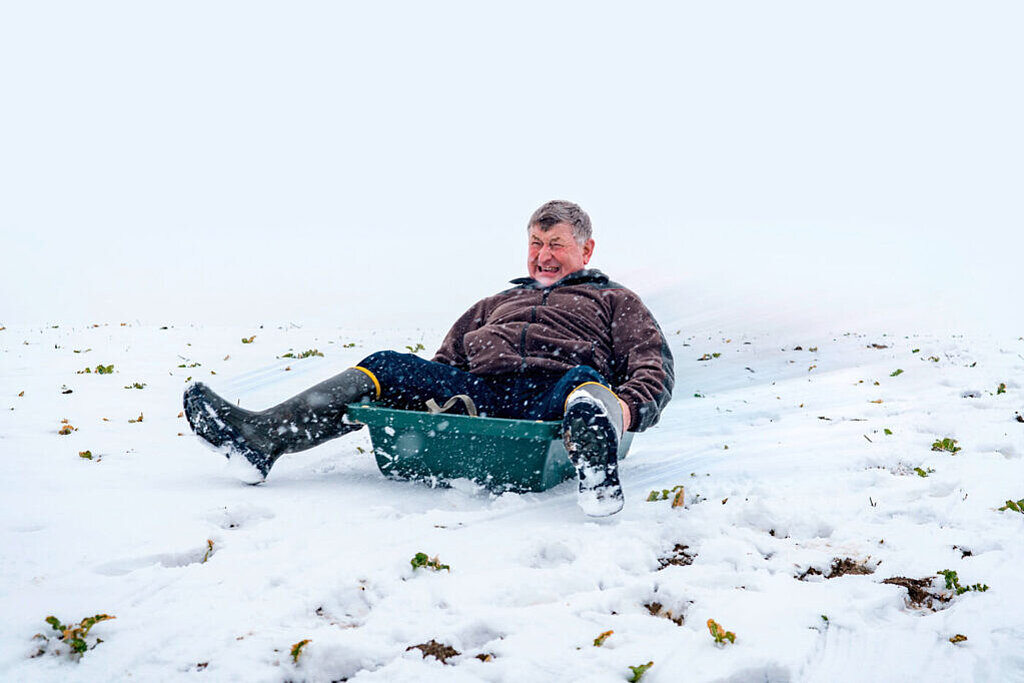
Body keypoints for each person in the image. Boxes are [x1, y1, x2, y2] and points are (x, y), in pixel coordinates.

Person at [184, 200, 674, 516]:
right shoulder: (491, 306)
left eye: (557, 245)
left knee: (585, 382)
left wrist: (626, 410)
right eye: (536, 244)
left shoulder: (614, 300)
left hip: (554, 398)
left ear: (585, 249)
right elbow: (443, 364)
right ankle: (261, 439)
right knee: (389, 364)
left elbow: (651, 367)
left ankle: (595, 458)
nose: (543, 256)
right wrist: (422, 402)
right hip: (481, 396)